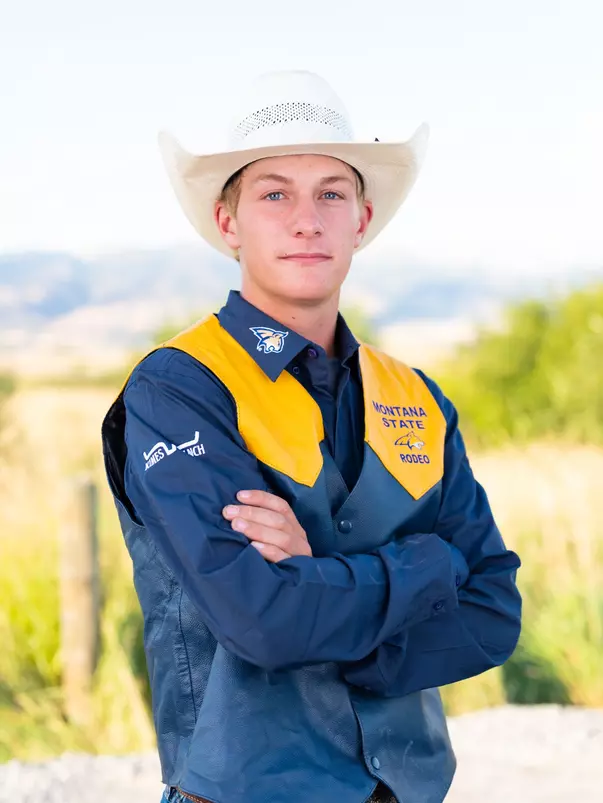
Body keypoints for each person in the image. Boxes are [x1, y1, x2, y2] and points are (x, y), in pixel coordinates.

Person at [102, 69, 522, 803]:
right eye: (274, 195)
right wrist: (428, 567)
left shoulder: (417, 397)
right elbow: (261, 620)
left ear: (361, 219)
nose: (306, 220)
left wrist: (317, 580)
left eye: (331, 193)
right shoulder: (179, 389)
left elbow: (493, 611)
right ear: (228, 223)